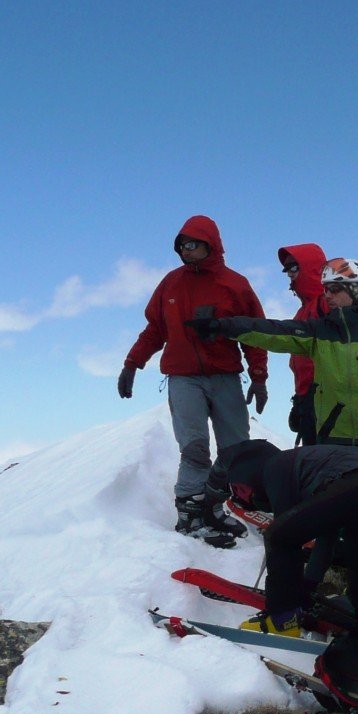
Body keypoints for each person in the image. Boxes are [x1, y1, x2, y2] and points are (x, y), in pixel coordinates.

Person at [194, 257, 358, 589]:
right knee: (327, 518)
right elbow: (273, 331)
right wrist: (224, 326)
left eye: (336, 289)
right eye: (326, 289)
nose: (328, 295)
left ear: (357, 290)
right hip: (334, 442)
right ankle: (313, 582)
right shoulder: (318, 331)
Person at [119, 215, 268, 544]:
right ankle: (190, 515)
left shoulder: (235, 284)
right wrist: (132, 364)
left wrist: (258, 376)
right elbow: (155, 330)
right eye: (181, 245)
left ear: (211, 244)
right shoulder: (171, 283)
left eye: (192, 244)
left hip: (225, 376)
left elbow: (253, 333)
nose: (185, 250)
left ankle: (216, 509)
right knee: (194, 447)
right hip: (183, 378)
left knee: (236, 449)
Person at [201, 439, 358, 635]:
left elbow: (285, 536)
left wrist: (291, 597)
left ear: (250, 472)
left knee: (278, 535)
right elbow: (326, 536)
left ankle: (282, 621)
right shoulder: (305, 466)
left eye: (239, 488)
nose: (240, 495)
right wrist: (308, 586)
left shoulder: (276, 466)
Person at [277, 244, 329, 445]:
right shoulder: (303, 311)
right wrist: (300, 399)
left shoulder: (327, 304)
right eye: (286, 269)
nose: (289, 273)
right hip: (308, 399)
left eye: (294, 267)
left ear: (311, 268)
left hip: (326, 400)